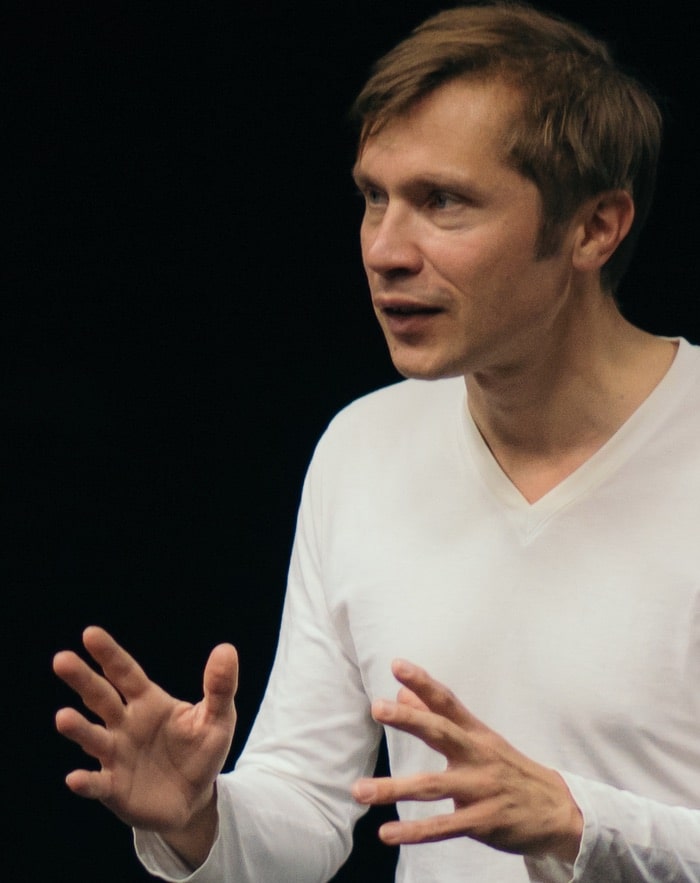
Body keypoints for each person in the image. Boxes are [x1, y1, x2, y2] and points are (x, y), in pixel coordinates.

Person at [53, 2, 700, 881]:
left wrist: (583, 822)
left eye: (444, 202)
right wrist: (204, 818)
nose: (385, 250)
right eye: (373, 198)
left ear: (594, 227)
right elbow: (310, 808)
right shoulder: (362, 447)